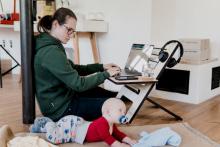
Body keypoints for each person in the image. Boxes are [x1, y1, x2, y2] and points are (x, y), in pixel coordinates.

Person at [34, 7, 121, 122]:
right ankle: (120, 102)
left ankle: (121, 98)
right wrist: (106, 74)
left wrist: (101, 67)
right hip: (61, 110)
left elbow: (73, 68)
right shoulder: (51, 52)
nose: (70, 35)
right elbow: (78, 84)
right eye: (68, 29)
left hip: (64, 98)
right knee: (114, 106)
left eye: (72, 31)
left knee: (107, 95)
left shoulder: (50, 44)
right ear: (55, 24)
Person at [30, 98, 137, 147]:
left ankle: (41, 128)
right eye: (120, 111)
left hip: (80, 124)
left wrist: (129, 140)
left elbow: (117, 134)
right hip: (73, 129)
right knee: (54, 138)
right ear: (108, 112)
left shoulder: (111, 124)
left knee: (59, 128)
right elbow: (107, 138)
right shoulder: (101, 123)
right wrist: (118, 145)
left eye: (124, 111)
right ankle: (48, 123)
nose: (123, 113)